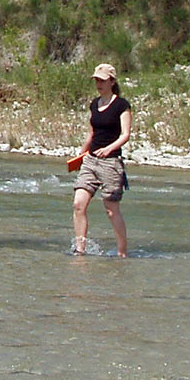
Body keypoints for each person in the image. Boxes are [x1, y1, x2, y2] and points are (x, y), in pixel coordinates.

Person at [71, 62, 132, 257]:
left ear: (112, 81)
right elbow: (91, 133)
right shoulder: (94, 104)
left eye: (102, 80)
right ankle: (80, 249)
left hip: (111, 162)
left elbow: (125, 134)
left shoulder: (121, 105)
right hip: (90, 160)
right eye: (96, 80)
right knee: (78, 204)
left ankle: (122, 252)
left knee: (111, 209)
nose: (98, 84)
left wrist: (109, 149)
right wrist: (80, 155)